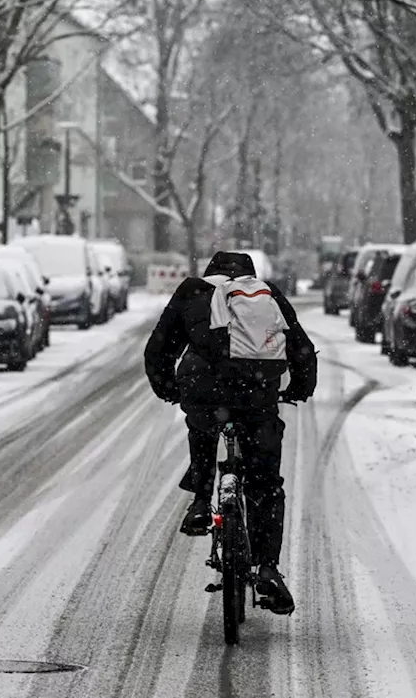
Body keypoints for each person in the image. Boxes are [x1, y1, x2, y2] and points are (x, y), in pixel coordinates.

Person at [144, 251, 317, 615]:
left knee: (203, 426)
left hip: (205, 390)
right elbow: (301, 348)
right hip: (258, 395)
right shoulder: (267, 293)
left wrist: (169, 389)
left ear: (211, 272)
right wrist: (298, 388)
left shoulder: (194, 292)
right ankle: (267, 566)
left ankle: (201, 502)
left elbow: (158, 349)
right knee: (266, 483)